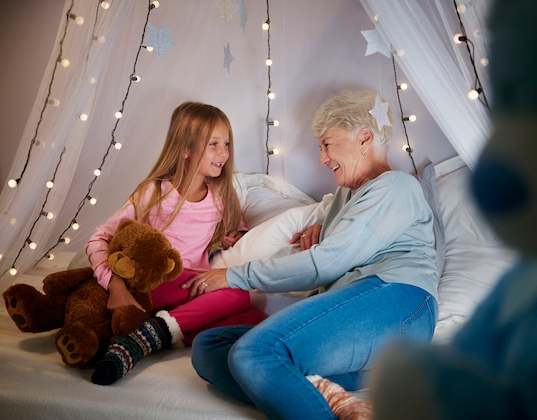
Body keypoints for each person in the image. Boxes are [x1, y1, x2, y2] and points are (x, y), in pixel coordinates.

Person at [185, 90, 439, 419]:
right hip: (358, 315)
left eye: (327, 144)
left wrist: (236, 275)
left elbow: (327, 262)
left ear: (364, 138)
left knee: (253, 353)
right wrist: (319, 230)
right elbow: (328, 241)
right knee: (209, 347)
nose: (322, 158)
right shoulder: (343, 200)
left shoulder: (396, 186)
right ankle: (328, 395)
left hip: (397, 300)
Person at [88, 101, 266, 386]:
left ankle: (148, 336)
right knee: (240, 294)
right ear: (186, 148)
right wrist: (115, 285)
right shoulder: (154, 191)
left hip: (190, 290)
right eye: (213, 144)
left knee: (255, 319)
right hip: (155, 285)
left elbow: (236, 229)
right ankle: (151, 335)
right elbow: (99, 238)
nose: (224, 153)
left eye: (227, 144)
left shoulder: (220, 197)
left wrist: (238, 236)